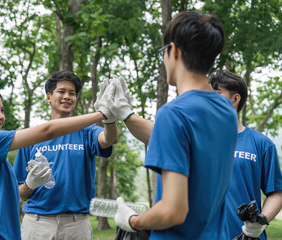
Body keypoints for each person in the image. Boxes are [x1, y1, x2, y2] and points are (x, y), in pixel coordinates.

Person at [97, 11, 239, 239]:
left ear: (173, 51)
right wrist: (128, 116)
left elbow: (173, 211)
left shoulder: (173, 114)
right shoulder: (226, 112)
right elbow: (185, 142)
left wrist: (133, 220)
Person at [0, 84, 111, 240]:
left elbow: (1, 195)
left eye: (2, 110)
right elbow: (47, 131)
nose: (1, 116)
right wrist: (101, 114)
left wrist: (30, 184)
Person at [13, 71, 118, 240]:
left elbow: (108, 139)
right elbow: (20, 193)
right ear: (49, 97)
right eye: (61, 92)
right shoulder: (31, 136)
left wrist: (110, 119)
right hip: (37, 223)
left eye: (72, 93)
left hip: (77, 224)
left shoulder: (88, 132)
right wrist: (30, 184)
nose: (67, 97)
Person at [209, 70, 282, 239]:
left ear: (235, 99)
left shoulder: (261, 143)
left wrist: (259, 223)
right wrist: (132, 118)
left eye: (216, 95)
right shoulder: (198, 141)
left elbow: (276, 192)